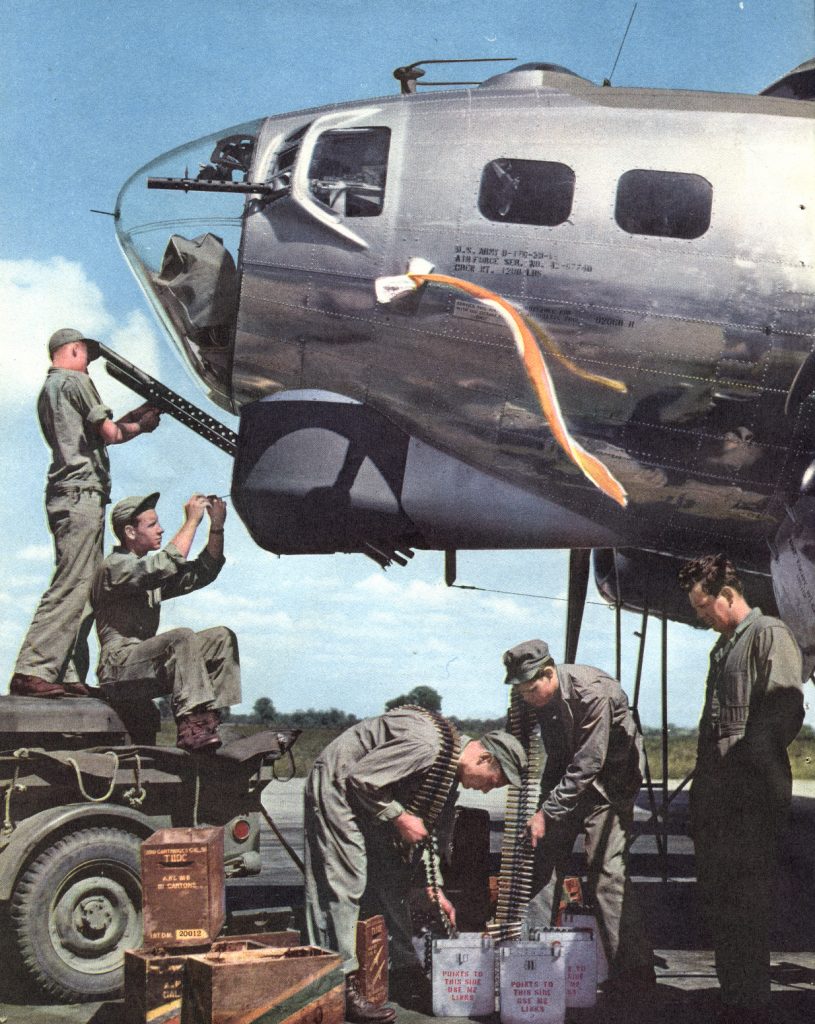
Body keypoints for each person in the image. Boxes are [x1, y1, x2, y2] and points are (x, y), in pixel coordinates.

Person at [304, 706, 526, 1022]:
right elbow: (361, 778)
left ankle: (404, 968)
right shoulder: (428, 747)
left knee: (395, 879)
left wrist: (430, 885)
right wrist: (400, 816)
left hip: (369, 793)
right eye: (494, 781)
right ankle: (338, 982)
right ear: (484, 758)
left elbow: (431, 833)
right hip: (339, 783)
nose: (488, 789)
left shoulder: (447, 773)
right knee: (345, 879)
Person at [678, 554, 804, 1023]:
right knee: (721, 899)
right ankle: (734, 995)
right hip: (720, 797)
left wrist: (751, 769)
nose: (700, 615)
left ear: (728, 595)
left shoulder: (769, 634)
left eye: (704, 605)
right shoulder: (727, 644)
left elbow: (784, 709)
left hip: (747, 797)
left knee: (747, 902)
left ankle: (751, 1002)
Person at [9, 328, 160, 699]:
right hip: (81, 494)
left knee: (88, 586)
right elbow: (110, 432)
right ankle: (33, 669)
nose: (89, 365)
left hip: (70, 495)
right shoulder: (76, 380)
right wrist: (143, 425)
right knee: (74, 582)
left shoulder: (53, 389)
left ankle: (66, 671)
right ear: (74, 350)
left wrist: (139, 413)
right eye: (87, 357)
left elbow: (95, 434)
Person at [502, 639, 654, 994]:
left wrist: (548, 811)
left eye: (531, 688)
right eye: (520, 690)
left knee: (604, 873)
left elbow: (589, 763)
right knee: (542, 857)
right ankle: (530, 957)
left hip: (610, 784)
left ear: (549, 673)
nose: (527, 697)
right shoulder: (532, 698)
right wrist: (541, 809)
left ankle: (635, 973)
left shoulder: (592, 692)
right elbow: (546, 756)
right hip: (569, 782)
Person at [92, 491, 241, 753]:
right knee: (181, 638)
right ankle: (191, 727)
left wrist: (216, 527)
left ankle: (208, 721)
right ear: (130, 532)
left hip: (145, 668)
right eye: (152, 525)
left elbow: (203, 571)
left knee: (221, 638)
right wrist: (192, 521)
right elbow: (165, 564)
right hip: (118, 671)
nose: (161, 530)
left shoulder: (146, 575)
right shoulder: (114, 568)